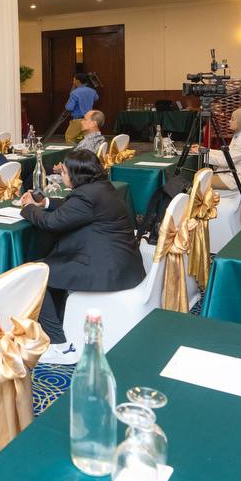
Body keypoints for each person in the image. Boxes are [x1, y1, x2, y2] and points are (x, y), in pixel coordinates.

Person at [19, 149, 144, 364]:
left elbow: (51, 223)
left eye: (64, 172)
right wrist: (45, 203)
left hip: (105, 269)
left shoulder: (86, 195)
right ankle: (57, 322)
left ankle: (60, 346)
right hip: (122, 263)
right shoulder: (101, 187)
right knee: (50, 266)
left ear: (75, 175)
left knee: (36, 273)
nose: (62, 176)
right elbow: (72, 208)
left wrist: (29, 208)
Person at [196, 108, 241, 190]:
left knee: (199, 180)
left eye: (232, 119)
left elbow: (226, 161)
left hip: (236, 178)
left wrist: (203, 154)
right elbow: (227, 153)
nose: (229, 121)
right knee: (202, 175)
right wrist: (205, 150)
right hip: (235, 172)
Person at [63, 74, 99, 144]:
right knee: (83, 139)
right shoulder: (92, 91)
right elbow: (96, 98)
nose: (73, 82)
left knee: (70, 138)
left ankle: (73, 151)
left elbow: (69, 107)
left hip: (78, 120)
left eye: (74, 80)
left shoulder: (74, 92)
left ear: (78, 81)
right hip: (89, 119)